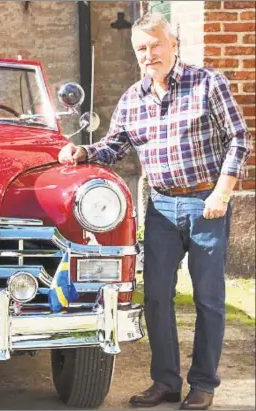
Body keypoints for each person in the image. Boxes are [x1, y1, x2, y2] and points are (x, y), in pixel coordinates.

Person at [58, 12, 253, 411]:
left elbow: (239, 138)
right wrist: (83, 152)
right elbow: (114, 147)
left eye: (155, 45)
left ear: (173, 43)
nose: (149, 55)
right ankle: (165, 382)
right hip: (161, 207)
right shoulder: (133, 98)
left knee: (209, 299)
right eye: (141, 49)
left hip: (206, 205)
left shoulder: (208, 83)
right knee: (157, 298)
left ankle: (203, 384)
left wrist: (222, 193)